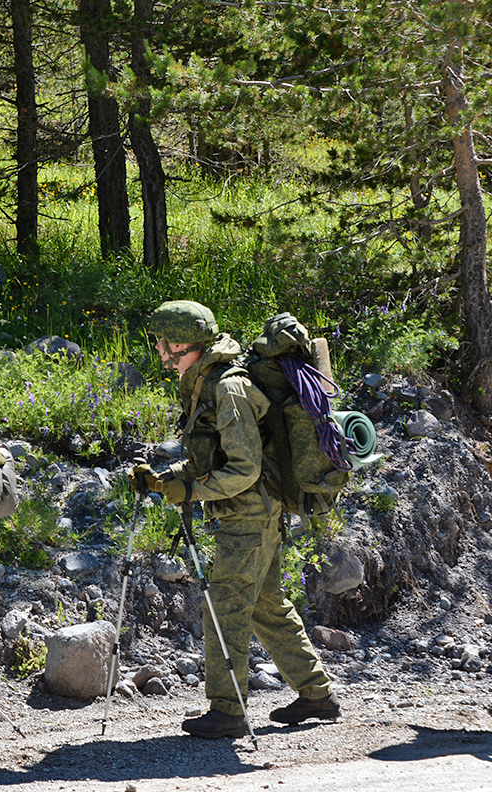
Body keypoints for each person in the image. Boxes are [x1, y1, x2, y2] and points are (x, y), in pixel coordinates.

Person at [131, 300, 340, 739]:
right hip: (253, 512)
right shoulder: (204, 381)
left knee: (225, 605)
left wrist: (190, 489)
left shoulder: (228, 388)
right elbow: (218, 458)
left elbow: (243, 470)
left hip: (250, 515)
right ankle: (316, 694)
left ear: (181, 344)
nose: (159, 351)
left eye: (162, 343)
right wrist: (165, 479)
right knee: (265, 605)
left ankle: (228, 710)